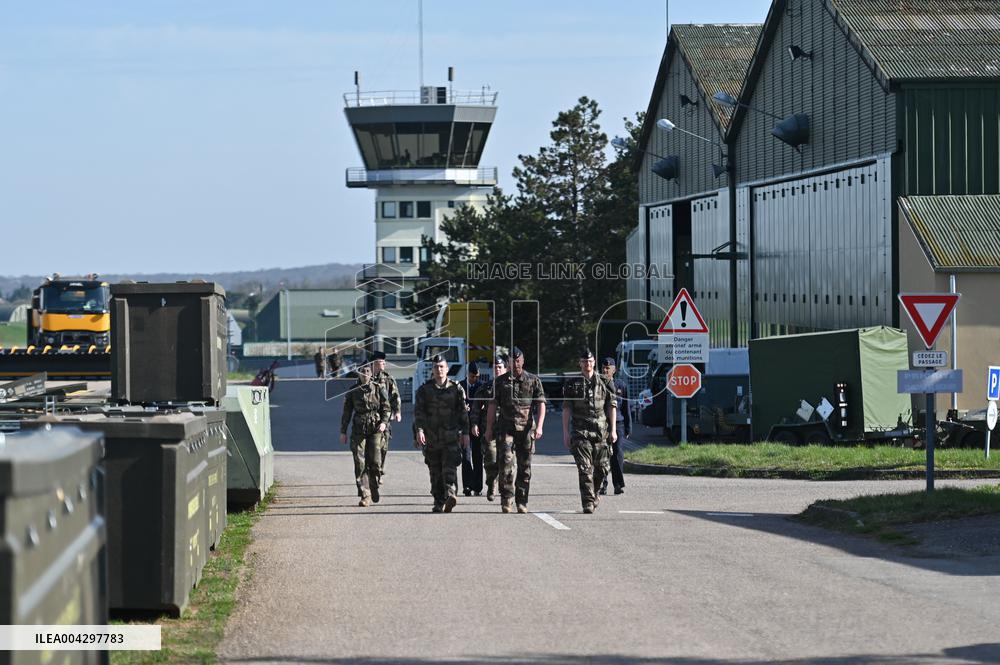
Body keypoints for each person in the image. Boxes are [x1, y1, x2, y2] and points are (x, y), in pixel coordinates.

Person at [485, 347, 546, 514]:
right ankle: (507, 499)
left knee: (525, 467)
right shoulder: (500, 382)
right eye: (512, 361)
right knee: (505, 463)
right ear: (508, 363)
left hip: (526, 431)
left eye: (518, 361)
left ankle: (522, 501)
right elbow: (492, 406)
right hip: (506, 429)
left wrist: (539, 426)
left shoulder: (533, 380)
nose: (516, 364)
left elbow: (541, 404)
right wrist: (488, 428)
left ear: (523, 361)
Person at [561, 348, 617, 514]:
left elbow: (611, 406)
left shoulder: (606, 382)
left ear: (594, 363)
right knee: (585, 469)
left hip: (602, 432)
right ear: (580, 363)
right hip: (580, 431)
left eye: (590, 361)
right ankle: (587, 502)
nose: (587, 364)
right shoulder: (572, 384)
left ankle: (595, 492)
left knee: (602, 468)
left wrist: (613, 430)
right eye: (584, 362)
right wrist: (565, 432)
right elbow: (566, 408)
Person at [414, 354, 470, 512]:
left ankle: (451, 494)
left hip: (451, 437)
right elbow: (419, 413)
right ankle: (439, 501)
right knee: (435, 471)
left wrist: (465, 433)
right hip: (432, 438)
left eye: (441, 367)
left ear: (447, 369)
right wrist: (419, 431)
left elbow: (463, 413)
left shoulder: (456, 388)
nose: (439, 370)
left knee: (449, 467)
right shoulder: (425, 390)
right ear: (432, 370)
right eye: (436, 367)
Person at [340, 362, 390, 507]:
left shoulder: (379, 388)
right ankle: (365, 494)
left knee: (375, 462)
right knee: (359, 462)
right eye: (362, 371)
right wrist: (343, 431)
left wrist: (384, 422)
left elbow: (386, 408)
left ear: (371, 373)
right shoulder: (353, 391)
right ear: (359, 373)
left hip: (375, 429)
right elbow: (347, 413)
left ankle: (373, 484)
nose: (365, 374)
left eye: (368, 371)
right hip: (358, 430)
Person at [472, 354, 507, 501]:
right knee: (491, 459)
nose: (497, 370)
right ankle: (491, 483)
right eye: (495, 368)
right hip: (489, 431)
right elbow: (476, 407)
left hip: (507, 430)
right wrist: (473, 423)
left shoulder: (512, 388)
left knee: (506, 460)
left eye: (500, 367)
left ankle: (505, 490)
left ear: (505, 369)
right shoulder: (485, 388)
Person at [600, 356, 631, 495]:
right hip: (602, 423)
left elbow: (626, 407)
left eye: (608, 368)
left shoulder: (621, 385)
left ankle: (618, 484)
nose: (605, 370)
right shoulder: (598, 384)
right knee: (602, 455)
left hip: (618, 423)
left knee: (617, 454)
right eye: (604, 368)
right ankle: (602, 484)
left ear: (614, 370)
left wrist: (628, 426)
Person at [370, 350, 402, 482]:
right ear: (373, 364)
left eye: (384, 362)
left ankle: (379, 470)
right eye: (380, 362)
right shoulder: (366, 377)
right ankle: (372, 471)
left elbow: (395, 395)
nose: (383, 364)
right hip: (370, 416)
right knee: (371, 447)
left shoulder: (388, 378)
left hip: (385, 416)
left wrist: (397, 411)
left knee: (383, 446)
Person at [459, 362, 484, 496]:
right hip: (464, 427)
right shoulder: (460, 386)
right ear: (467, 374)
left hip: (479, 427)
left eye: (477, 376)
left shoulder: (482, 386)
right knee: (466, 457)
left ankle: (478, 487)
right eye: (473, 376)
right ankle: (467, 486)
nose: (475, 378)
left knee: (478, 457)